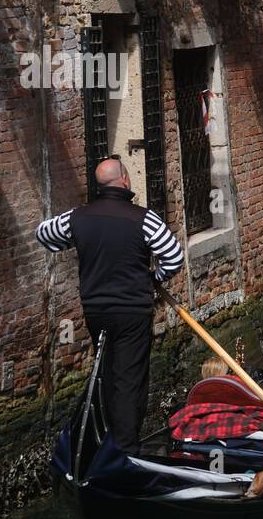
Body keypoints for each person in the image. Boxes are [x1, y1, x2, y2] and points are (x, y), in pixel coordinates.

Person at [36, 157, 185, 454]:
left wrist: (76, 240)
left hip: (96, 312)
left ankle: (102, 443)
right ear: (125, 181)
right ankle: (126, 450)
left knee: (105, 373)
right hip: (132, 311)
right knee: (129, 378)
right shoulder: (143, 218)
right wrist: (154, 277)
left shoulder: (78, 217)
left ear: (99, 186)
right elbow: (174, 256)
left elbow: (44, 233)